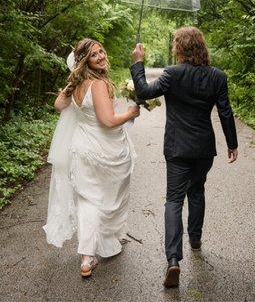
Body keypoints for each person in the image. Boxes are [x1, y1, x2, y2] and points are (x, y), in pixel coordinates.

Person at [130, 26, 238, 288]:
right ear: (201, 46)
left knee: (174, 199)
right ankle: (196, 239)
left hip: (178, 148)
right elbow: (225, 112)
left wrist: (138, 62)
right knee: (198, 190)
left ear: (179, 47)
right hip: (203, 148)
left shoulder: (172, 74)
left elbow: (144, 91)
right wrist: (232, 144)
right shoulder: (218, 76)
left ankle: (174, 260)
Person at [43, 38, 140, 278]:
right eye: (94, 54)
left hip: (81, 148)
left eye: (101, 51)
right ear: (85, 60)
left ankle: (87, 257)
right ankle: (107, 240)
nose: (101, 56)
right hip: (103, 150)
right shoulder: (97, 84)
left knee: (88, 199)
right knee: (107, 198)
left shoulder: (76, 84)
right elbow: (108, 121)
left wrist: (71, 85)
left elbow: (58, 105)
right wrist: (129, 113)